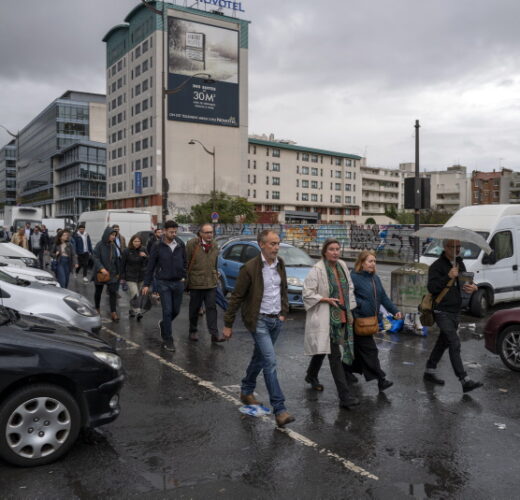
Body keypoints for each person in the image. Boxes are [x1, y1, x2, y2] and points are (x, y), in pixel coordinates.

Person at [223, 230, 295, 428]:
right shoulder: (250, 268)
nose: (276, 247)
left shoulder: (280, 264)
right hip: (259, 320)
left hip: (275, 320)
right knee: (270, 362)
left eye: (278, 243)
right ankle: (280, 410)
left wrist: (283, 312)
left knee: (260, 357)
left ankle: (246, 390)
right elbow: (236, 297)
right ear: (261, 245)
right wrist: (228, 324)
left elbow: (283, 289)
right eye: (272, 244)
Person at [303, 239, 360, 409]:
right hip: (327, 318)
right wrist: (324, 299)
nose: (335, 252)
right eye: (331, 249)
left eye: (337, 249)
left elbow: (349, 288)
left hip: (342, 314)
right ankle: (345, 397)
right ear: (324, 252)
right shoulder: (317, 270)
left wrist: (350, 310)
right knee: (335, 357)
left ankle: (311, 375)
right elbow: (307, 293)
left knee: (323, 349)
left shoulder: (342, 265)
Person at [423, 239, 483, 393]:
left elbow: (465, 282)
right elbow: (432, 288)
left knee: (443, 342)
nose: (457, 250)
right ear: (445, 247)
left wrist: (473, 286)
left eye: (459, 247)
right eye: (454, 247)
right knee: (454, 342)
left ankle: (429, 370)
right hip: (441, 310)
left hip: (455, 310)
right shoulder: (436, 266)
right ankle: (464, 380)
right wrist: (448, 276)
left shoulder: (460, 264)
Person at [349, 250, 402, 392]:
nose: (373, 264)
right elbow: (349, 296)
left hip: (371, 321)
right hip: (358, 321)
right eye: (370, 261)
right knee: (371, 350)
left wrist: (394, 311)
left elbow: (383, 297)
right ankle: (381, 380)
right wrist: (361, 304)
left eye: (374, 261)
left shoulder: (375, 278)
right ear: (361, 263)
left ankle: (346, 371)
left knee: (357, 351)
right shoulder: (353, 277)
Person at [142, 220, 186, 352]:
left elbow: (185, 261)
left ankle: (163, 324)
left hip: (178, 282)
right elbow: (150, 266)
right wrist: (146, 284)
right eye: (171, 232)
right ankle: (168, 339)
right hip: (163, 282)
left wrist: (185, 276)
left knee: (176, 311)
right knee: (167, 311)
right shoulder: (157, 245)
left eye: (175, 232)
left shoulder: (180, 244)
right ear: (165, 231)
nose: (173, 234)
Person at [186, 223, 225, 343]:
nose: (209, 235)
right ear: (201, 233)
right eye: (207, 232)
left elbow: (215, 261)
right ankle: (193, 330)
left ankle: (214, 334)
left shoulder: (215, 245)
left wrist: (216, 272)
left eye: (211, 232)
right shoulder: (192, 244)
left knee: (211, 308)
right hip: (196, 282)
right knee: (195, 308)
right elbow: (186, 261)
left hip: (211, 282)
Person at [93, 226, 121, 322]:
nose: (113, 237)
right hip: (100, 273)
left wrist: (118, 272)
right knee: (98, 292)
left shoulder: (113, 245)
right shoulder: (99, 245)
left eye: (114, 235)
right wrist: (101, 268)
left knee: (113, 292)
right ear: (107, 235)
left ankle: (113, 312)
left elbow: (116, 259)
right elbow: (95, 258)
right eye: (112, 235)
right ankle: (97, 308)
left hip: (112, 273)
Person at [121, 234, 148, 320]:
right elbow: (122, 265)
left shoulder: (143, 249)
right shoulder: (126, 251)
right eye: (135, 241)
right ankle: (138, 311)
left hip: (141, 276)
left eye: (138, 241)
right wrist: (122, 277)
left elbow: (150, 262)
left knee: (137, 295)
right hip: (130, 276)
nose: (137, 243)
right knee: (134, 293)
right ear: (132, 242)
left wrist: (145, 256)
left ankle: (132, 310)